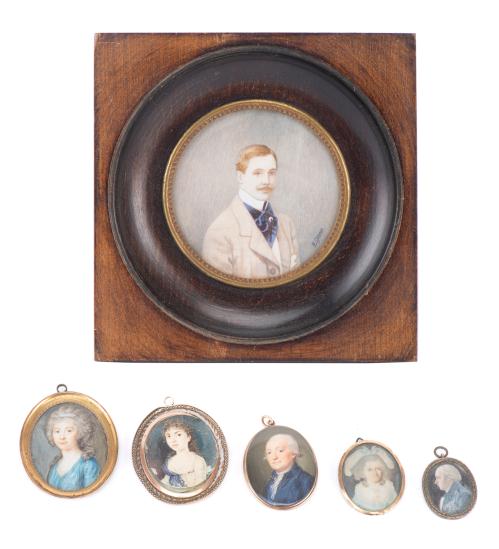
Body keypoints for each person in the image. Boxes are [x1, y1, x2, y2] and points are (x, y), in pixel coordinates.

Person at [202, 144, 300, 279]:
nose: (266, 181)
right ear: (240, 177)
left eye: (271, 173)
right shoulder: (219, 232)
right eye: (258, 173)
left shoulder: (286, 224)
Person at [45, 405, 101, 491]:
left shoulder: (89, 465)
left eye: (69, 431)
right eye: (57, 431)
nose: (62, 437)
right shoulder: (54, 466)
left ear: (80, 432)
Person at [262, 433, 314, 506]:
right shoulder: (271, 481)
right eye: (269, 452)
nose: (274, 457)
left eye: (280, 450)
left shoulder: (305, 481)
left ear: (293, 453)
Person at [344, 445, 398, 511]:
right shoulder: (359, 488)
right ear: (362, 472)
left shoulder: (389, 485)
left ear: (383, 470)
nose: (374, 472)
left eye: (378, 468)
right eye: (369, 470)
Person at [160, 420, 207, 489]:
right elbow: (165, 482)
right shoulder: (170, 461)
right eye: (169, 436)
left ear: (188, 437)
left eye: (178, 435)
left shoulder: (197, 460)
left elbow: (200, 486)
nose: (173, 440)